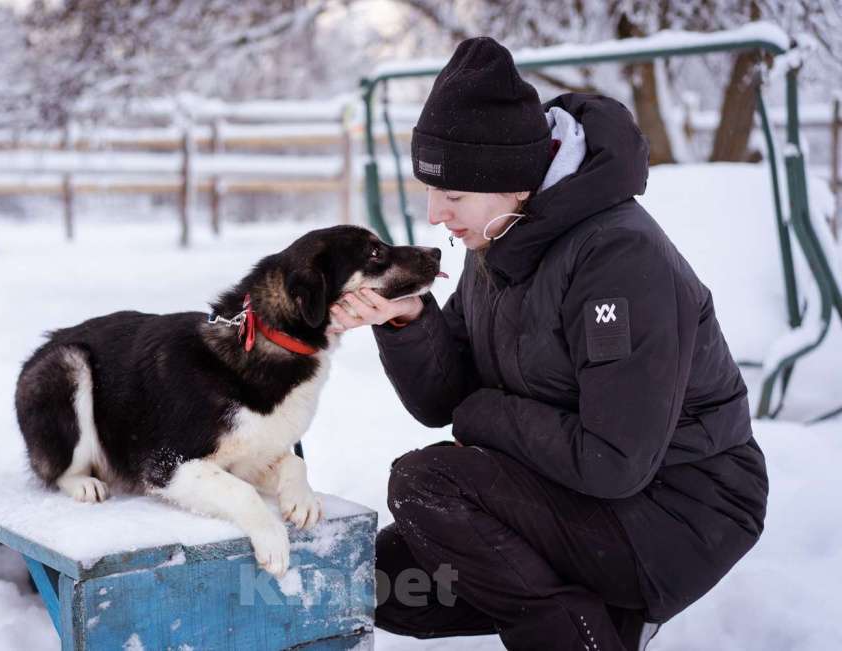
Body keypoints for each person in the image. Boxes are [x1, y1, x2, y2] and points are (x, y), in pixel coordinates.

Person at [328, 37, 768, 651]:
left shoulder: (618, 257)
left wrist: (478, 413)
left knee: (428, 483)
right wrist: (408, 320)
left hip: (682, 506)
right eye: (430, 191)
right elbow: (441, 398)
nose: (434, 215)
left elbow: (612, 460)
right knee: (387, 580)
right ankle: (608, 616)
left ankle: (585, 637)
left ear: (513, 182)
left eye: (452, 195)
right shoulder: (501, 241)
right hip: (581, 493)